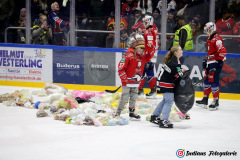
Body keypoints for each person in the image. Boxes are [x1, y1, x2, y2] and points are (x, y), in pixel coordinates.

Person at [115, 33, 155, 120]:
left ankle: (132, 112)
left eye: (144, 49)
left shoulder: (142, 57)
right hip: (127, 81)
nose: (143, 50)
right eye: (141, 48)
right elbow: (121, 68)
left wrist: (151, 48)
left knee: (134, 97)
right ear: (136, 47)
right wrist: (124, 79)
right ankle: (118, 112)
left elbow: (149, 56)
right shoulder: (128, 55)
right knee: (125, 97)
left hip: (135, 82)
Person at [150, 45, 185, 128]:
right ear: (176, 52)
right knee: (169, 101)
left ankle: (154, 116)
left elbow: (174, 74)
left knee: (166, 100)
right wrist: (183, 71)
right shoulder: (174, 62)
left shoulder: (172, 60)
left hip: (162, 83)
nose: (182, 51)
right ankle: (164, 120)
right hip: (166, 84)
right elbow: (178, 76)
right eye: (180, 50)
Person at [196, 22, 227, 110]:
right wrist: (207, 60)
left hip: (215, 63)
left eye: (207, 30)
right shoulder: (210, 38)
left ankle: (215, 101)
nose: (205, 32)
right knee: (206, 80)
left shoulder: (217, 39)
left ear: (211, 29)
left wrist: (217, 63)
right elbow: (211, 52)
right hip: (210, 62)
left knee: (213, 81)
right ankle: (205, 99)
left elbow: (223, 51)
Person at [138, 15, 159, 99]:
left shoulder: (149, 31)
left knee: (142, 72)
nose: (144, 23)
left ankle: (140, 91)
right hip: (153, 55)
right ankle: (153, 91)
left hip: (148, 56)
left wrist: (147, 56)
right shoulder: (154, 29)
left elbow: (150, 45)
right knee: (150, 72)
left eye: (145, 22)